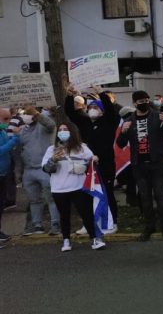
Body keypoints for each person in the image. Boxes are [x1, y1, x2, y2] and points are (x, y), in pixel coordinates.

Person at [117, 90, 163, 241]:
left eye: (146, 100)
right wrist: (123, 133)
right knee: (145, 199)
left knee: (161, 196)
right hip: (139, 166)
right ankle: (149, 227)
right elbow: (120, 144)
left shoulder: (157, 116)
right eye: (140, 101)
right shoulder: (129, 120)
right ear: (134, 103)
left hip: (157, 164)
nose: (144, 103)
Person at [43, 122, 105, 252]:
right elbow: (46, 168)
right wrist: (53, 159)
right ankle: (66, 240)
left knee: (86, 214)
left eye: (65, 129)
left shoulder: (81, 148)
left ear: (72, 132)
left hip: (79, 187)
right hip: (59, 189)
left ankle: (94, 239)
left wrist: (95, 158)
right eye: (60, 130)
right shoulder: (51, 149)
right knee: (64, 216)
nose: (62, 132)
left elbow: (92, 159)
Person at [64, 84, 119, 230]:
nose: (92, 110)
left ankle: (112, 222)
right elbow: (70, 112)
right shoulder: (85, 123)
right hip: (88, 164)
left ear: (102, 111)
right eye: (90, 108)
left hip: (105, 163)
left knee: (106, 192)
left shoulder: (109, 122)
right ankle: (89, 223)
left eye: (96, 108)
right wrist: (70, 96)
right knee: (88, 194)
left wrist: (101, 93)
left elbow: (111, 111)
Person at [19, 106, 60, 236]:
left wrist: (37, 114)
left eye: (28, 113)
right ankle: (37, 226)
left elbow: (51, 124)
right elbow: (21, 149)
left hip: (44, 168)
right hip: (28, 170)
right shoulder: (23, 131)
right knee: (34, 200)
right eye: (24, 113)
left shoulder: (45, 127)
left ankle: (56, 225)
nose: (25, 115)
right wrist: (18, 171)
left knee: (51, 198)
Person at [0, 108, 19, 245]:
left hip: (3, 173)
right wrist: (14, 140)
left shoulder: (2, 131)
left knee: (1, 205)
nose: (7, 122)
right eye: (5, 119)